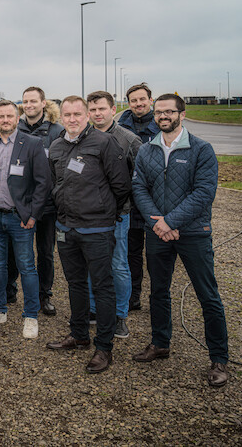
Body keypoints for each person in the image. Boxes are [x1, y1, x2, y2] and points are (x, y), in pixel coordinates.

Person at [131, 94, 229, 387]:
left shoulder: (201, 149)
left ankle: (219, 358)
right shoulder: (147, 150)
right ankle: (160, 342)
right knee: (158, 291)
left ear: (181, 114)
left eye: (169, 112)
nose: (163, 116)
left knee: (207, 296)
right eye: (159, 112)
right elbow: (139, 188)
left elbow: (203, 193)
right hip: (158, 233)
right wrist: (158, 223)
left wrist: (170, 222)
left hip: (193, 234)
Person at [45, 96, 130, 374]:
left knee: (103, 286)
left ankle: (104, 347)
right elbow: (54, 184)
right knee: (75, 283)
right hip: (66, 229)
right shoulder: (56, 146)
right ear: (61, 116)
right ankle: (79, 334)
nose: (72, 119)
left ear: (87, 116)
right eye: (67, 115)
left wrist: (104, 213)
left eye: (77, 114)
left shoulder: (104, 143)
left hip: (97, 229)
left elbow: (121, 186)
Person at [0, 100, 51, 339]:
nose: (5, 120)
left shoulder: (32, 144)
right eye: (1, 117)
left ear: (16, 117)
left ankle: (31, 315)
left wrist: (32, 214)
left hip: (20, 218)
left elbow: (43, 183)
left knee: (26, 266)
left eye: (9, 116)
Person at [86, 91, 142, 339]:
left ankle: (120, 316)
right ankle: (94, 309)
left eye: (102, 109)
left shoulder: (128, 139)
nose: (98, 113)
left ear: (112, 110)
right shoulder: (83, 137)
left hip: (118, 214)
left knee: (118, 265)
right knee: (92, 264)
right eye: (93, 109)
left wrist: (124, 205)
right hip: (88, 215)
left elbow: (140, 179)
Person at [6, 86, 64, 315]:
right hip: (20, 202)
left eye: (34, 101)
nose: (29, 105)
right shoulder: (14, 129)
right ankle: (9, 290)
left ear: (43, 103)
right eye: (25, 101)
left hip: (47, 204)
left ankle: (44, 296)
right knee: (14, 249)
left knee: (45, 251)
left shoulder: (57, 131)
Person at [118, 83, 160, 312]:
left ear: (150, 100)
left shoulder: (161, 125)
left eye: (142, 99)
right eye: (134, 101)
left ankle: (159, 295)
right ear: (129, 103)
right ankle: (134, 294)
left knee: (156, 253)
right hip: (131, 199)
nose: (138, 104)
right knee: (131, 251)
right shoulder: (121, 127)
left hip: (156, 198)